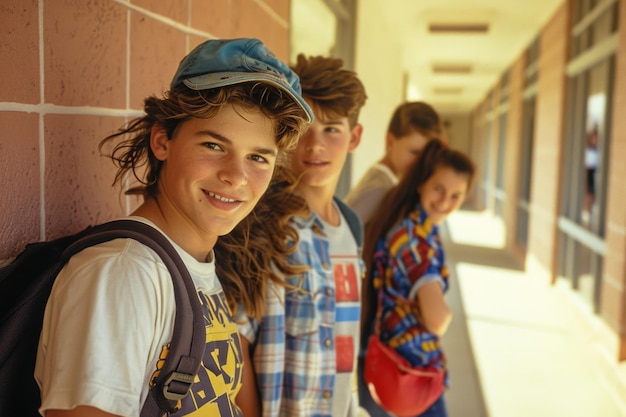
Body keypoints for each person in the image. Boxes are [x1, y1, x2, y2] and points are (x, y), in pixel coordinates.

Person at [34, 37, 313, 417]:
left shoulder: (193, 264)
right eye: (214, 145)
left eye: (258, 157)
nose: (237, 176)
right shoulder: (124, 272)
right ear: (163, 141)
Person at [233, 54, 368, 417]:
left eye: (332, 130)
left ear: (354, 137)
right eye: (305, 127)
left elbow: (344, 332)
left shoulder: (352, 226)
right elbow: (236, 339)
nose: (315, 145)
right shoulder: (260, 219)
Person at [362, 139, 475, 417]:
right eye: (439, 188)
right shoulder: (415, 241)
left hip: (402, 363)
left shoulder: (415, 227)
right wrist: (445, 315)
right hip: (411, 367)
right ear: (422, 184)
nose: (444, 202)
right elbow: (437, 319)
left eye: (455, 195)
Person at [345, 101, 442, 226]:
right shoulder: (379, 189)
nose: (421, 162)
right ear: (390, 142)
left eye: (425, 155)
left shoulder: (388, 182)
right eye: (414, 152)